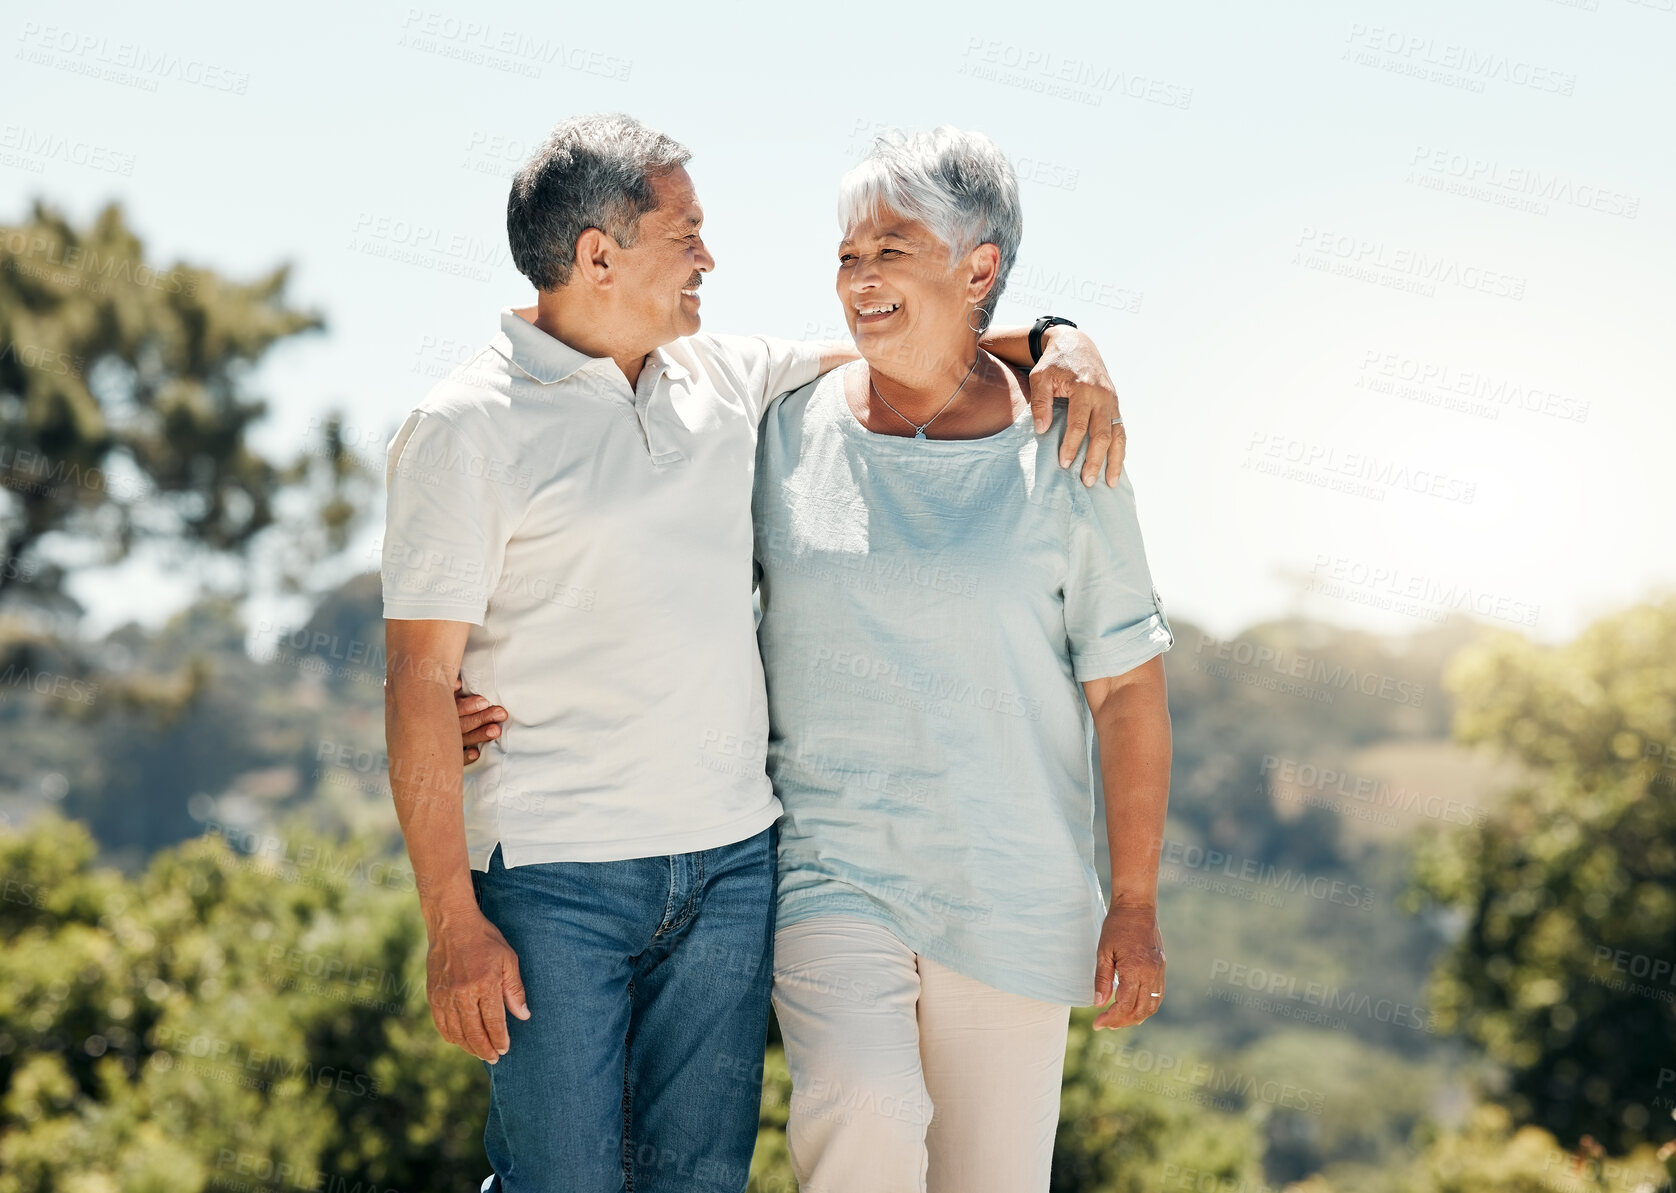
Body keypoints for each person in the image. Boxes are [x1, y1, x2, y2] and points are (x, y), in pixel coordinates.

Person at [386, 111, 1125, 1193]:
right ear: (598, 255)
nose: (709, 258)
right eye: (684, 233)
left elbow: (918, 338)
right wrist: (452, 924)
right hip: (553, 878)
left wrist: (1064, 336)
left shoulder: (725, 378)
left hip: (730, 867)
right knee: (564, 1177)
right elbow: (413, 680)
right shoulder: (463, 425)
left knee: (695, 1178)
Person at [749, 125, 1175, 1193]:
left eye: (891, 247)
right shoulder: (782, 428)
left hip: (1011, 886)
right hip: (829, 870)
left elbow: (1123, 687)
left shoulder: (1070, 443)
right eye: (847, 253)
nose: (858, 276)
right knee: (865, 1114)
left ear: (977, 266)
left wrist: (1131, 900)